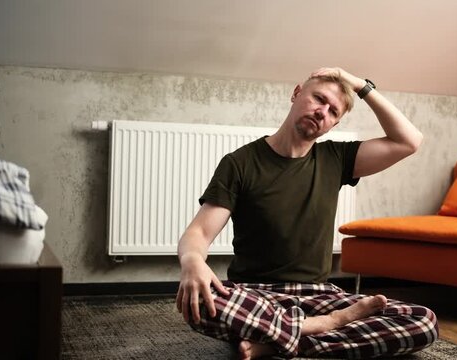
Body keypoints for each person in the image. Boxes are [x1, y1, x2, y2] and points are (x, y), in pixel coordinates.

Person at [176, 67, 438, 359]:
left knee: (422, 321)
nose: (321, 111)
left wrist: (358, 84)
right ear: (297, 93)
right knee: (199, 301)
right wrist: (191, 260)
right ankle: (325, 327)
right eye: (318, 98)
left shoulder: (336, 159)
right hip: (255, 294)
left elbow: (409, 141)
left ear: (333, 124)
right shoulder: (240, 162)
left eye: (332, 111)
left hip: (319, 294)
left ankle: (276, 339)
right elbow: (199, 232)